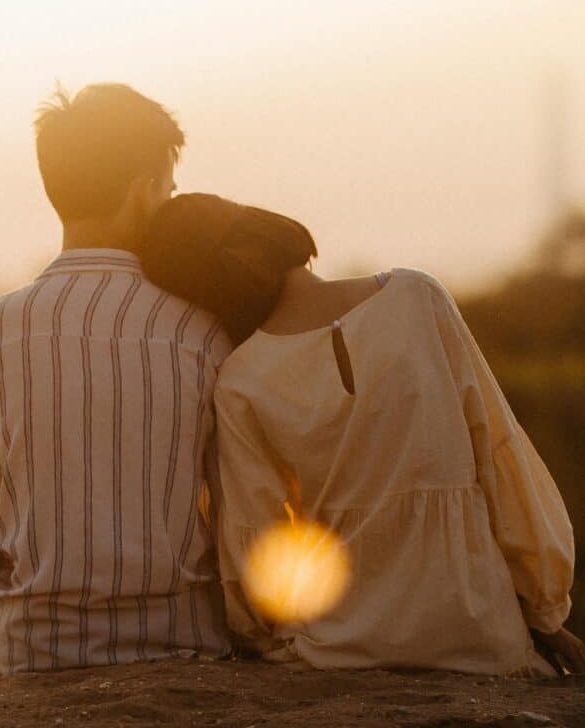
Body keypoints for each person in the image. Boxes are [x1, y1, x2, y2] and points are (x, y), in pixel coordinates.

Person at [140, 192, 585, 677]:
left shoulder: (241, 381)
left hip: (339, 648)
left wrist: (260, 634)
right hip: (479, 634)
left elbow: (257, 545)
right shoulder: (418, 297)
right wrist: (544, 610)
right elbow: (501, 456)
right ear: (267, 227)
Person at [0, 85, 233, 674]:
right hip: (184, 650)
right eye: (168, 188)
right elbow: (240, 514)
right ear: (145, 188)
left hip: (34, 656)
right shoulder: (204, 331)